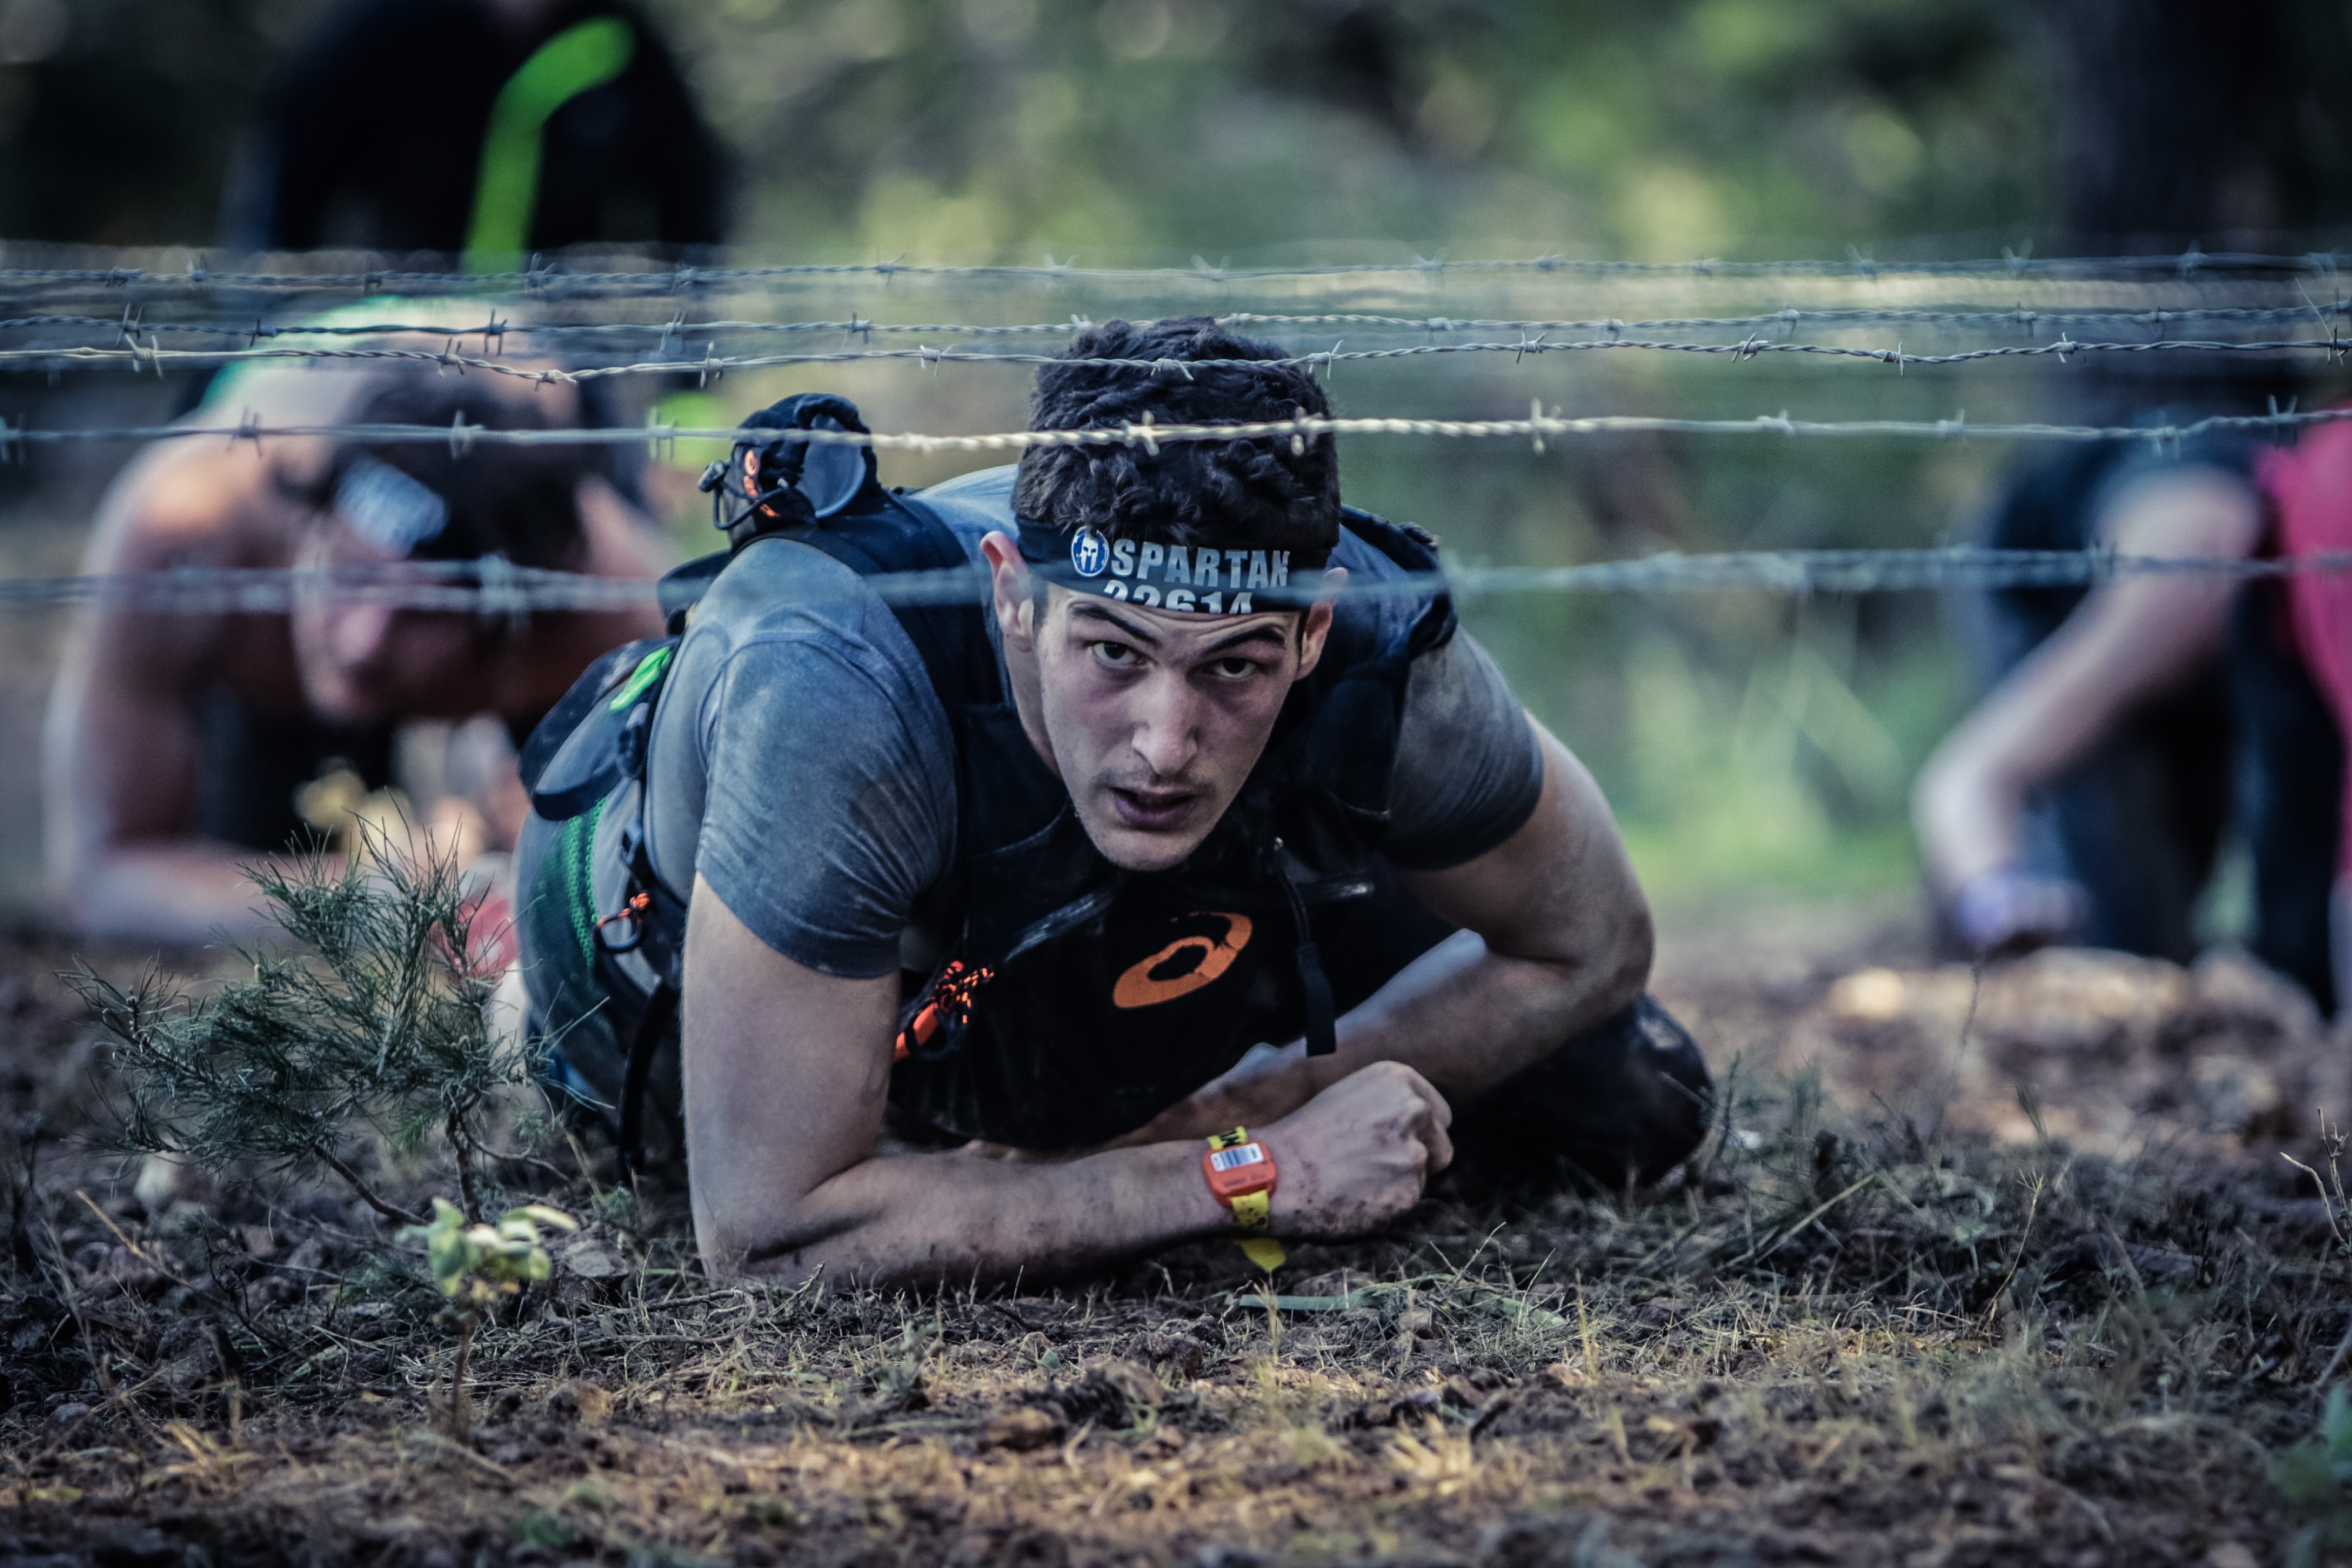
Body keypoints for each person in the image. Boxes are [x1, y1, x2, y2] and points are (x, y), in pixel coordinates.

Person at [513, 317, 1713, 1289]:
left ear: (1310, 627)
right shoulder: (835, 687)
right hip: (686, 956)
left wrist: (1218, 1107)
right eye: (1113, 654)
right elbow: (768, 1237)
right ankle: (508, 999)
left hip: (1109, 926)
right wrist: (1250, 1169)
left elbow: (1591, 941)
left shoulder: (1382, 650)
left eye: (1231, 666)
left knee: (1632, 1089)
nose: (1164, 742)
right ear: (1011, 600)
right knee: (762, 1161)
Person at [45, 366, 673, 946]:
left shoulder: (603, 605)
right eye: (347, 577)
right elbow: (102, 878)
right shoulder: (187, 539)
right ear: (310, 531)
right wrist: (384, 900)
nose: (362, 643)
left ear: (515, 620)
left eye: (425, 613)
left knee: (587, 872)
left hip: (536, 442)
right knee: (253, 845)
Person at [1912, 433, 2346, 1014]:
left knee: (2291, 954)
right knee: (2125, 941)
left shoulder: (2306, 593)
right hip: (2078, 588)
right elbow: (1968, 775)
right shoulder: (2186, 580)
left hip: (2226, 606)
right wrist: (2001, 900)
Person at [223, 0, 724, 260]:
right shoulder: (386, 32)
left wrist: (684, 399)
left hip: (554, 358)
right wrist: (270, 328)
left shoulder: (624, 49)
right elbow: (287, 173)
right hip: (398, 336)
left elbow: (694, 205)